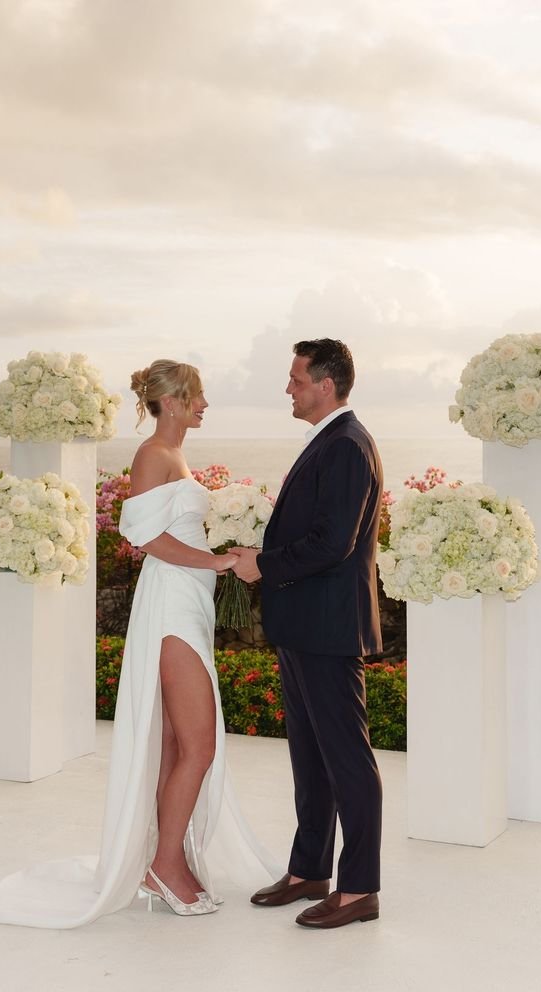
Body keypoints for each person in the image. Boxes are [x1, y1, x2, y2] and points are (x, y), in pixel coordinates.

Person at [0, 360, 281, 928]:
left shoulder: (175, 457)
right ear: (170, 401)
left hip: (187, 601)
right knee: (199, 745)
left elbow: (172, 527)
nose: (204, 405)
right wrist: (219, 559)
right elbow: (145, 537)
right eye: (197, 395)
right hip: (172, 604)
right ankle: (164, 866)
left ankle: (162, 860)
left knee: (176, 744)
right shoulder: (154, 455)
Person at [231, 339, 385, 930]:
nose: (289, 389)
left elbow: (333, 543)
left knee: (347, 760)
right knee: (310, 757)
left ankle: (360, 889)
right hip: (304, 625)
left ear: (326, 383)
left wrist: (263, 565)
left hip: (327, 627)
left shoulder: (347, 446)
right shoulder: (333, 441)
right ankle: (309, 870)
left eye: (296, 379)